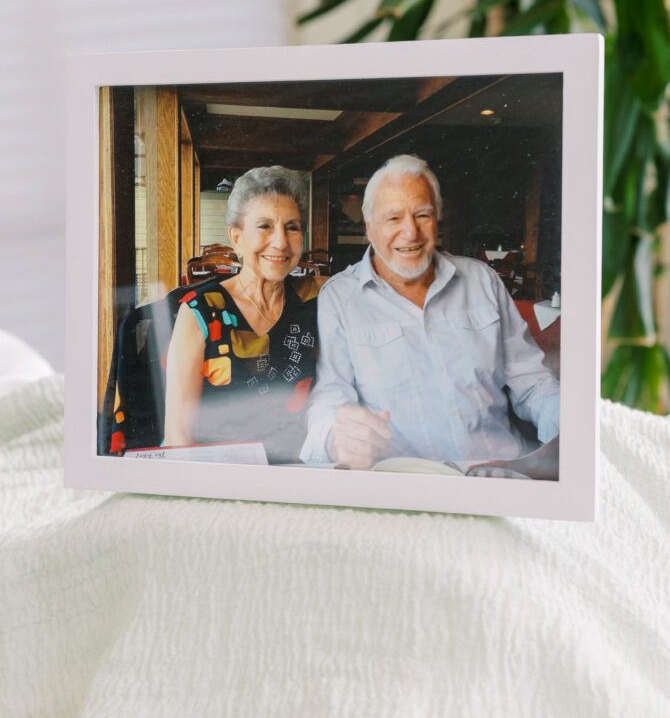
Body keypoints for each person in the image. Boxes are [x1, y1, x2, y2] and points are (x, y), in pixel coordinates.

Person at [300, 154, 560, 478]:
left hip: (501, 474)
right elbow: (329, 399)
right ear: (369, 226)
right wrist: (335, 441)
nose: (410, 233)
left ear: (437, 219)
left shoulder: (482, 281)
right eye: (393, 218)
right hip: (409, 485)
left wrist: (569, 423)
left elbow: (532, 382)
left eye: (422, 214)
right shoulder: (340, 298)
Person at [164, 166, 322, 463]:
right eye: (264, 226)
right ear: (236, 238)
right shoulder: (201, 311)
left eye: (292, 226)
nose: (281, 242)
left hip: (295, 477)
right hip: (219, 480)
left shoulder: (314, 302)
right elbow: (177, 437)